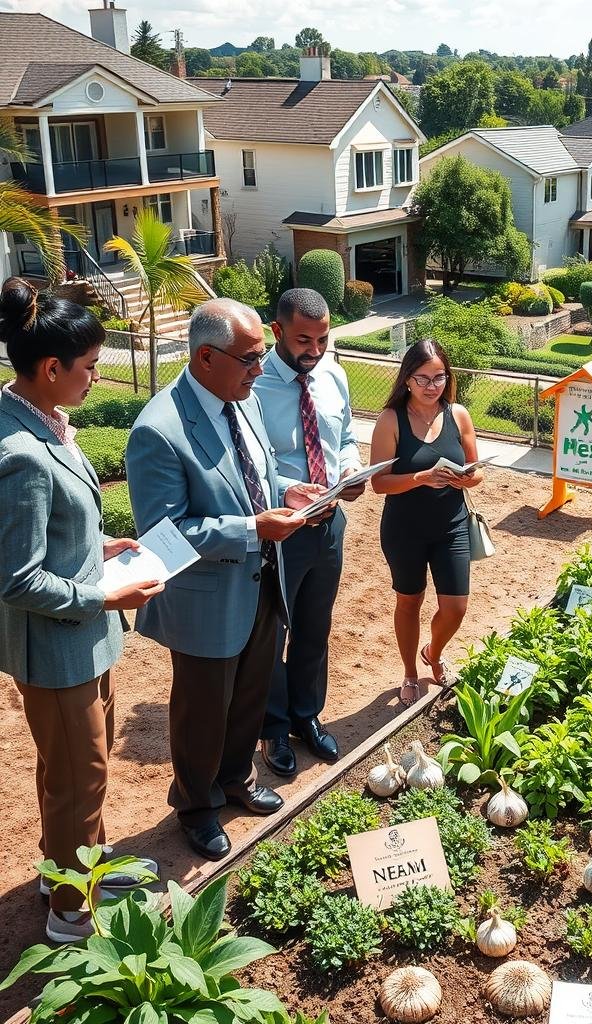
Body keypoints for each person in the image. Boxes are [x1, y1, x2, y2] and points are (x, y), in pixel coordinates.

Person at [125, 297, 316, 861]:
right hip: (206, 598)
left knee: (251, 693)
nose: (261, 368)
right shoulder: (159, 430)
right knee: (203, 712)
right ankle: (196, 806)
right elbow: (165, 533)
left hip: (261, 580)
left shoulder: (243, 400)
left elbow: (255, 474)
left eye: (262, 356)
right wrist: (254, 528)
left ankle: (235, 778)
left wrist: (288, 492)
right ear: (206, 358)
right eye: (249, 358)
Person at [0, 278, 161, 942]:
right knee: (78, 776)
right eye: (90, 367)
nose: (96, 377)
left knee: (77, 771)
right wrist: (105, 594)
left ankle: (73, 868)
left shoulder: (41, 421)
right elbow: (16, 578)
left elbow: (49, 533)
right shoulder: (21, 454)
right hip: (58, 649)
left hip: (83, 641)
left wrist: (97, 545)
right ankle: (70, 912)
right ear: (50, 368)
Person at [253, 288, 365, 778]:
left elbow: (345, 438)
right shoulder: (253, 385)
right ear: (277, 331)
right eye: (304, 340)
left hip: (329, 524)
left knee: (315, 626)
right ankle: (274, 728)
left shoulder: (334, 375)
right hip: (281, 528)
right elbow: (247, 462)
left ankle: (306, 715)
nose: (314, 351)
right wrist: (286, 488)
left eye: (323, 340)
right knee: (273, 630)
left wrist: (352, 469)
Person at [370, 339, 483, 707]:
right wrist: (420, 477)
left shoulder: (458, 414)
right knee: (409, 601)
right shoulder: (391, 420)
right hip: (405, 529)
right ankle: (409, 672)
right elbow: (378, 483)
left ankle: (432, 652)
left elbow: (477, 470)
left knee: (456, 607)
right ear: (407, 379)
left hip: (452, 526)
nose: (432, 386)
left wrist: (467, 479)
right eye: (423, 378)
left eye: (439, 377)